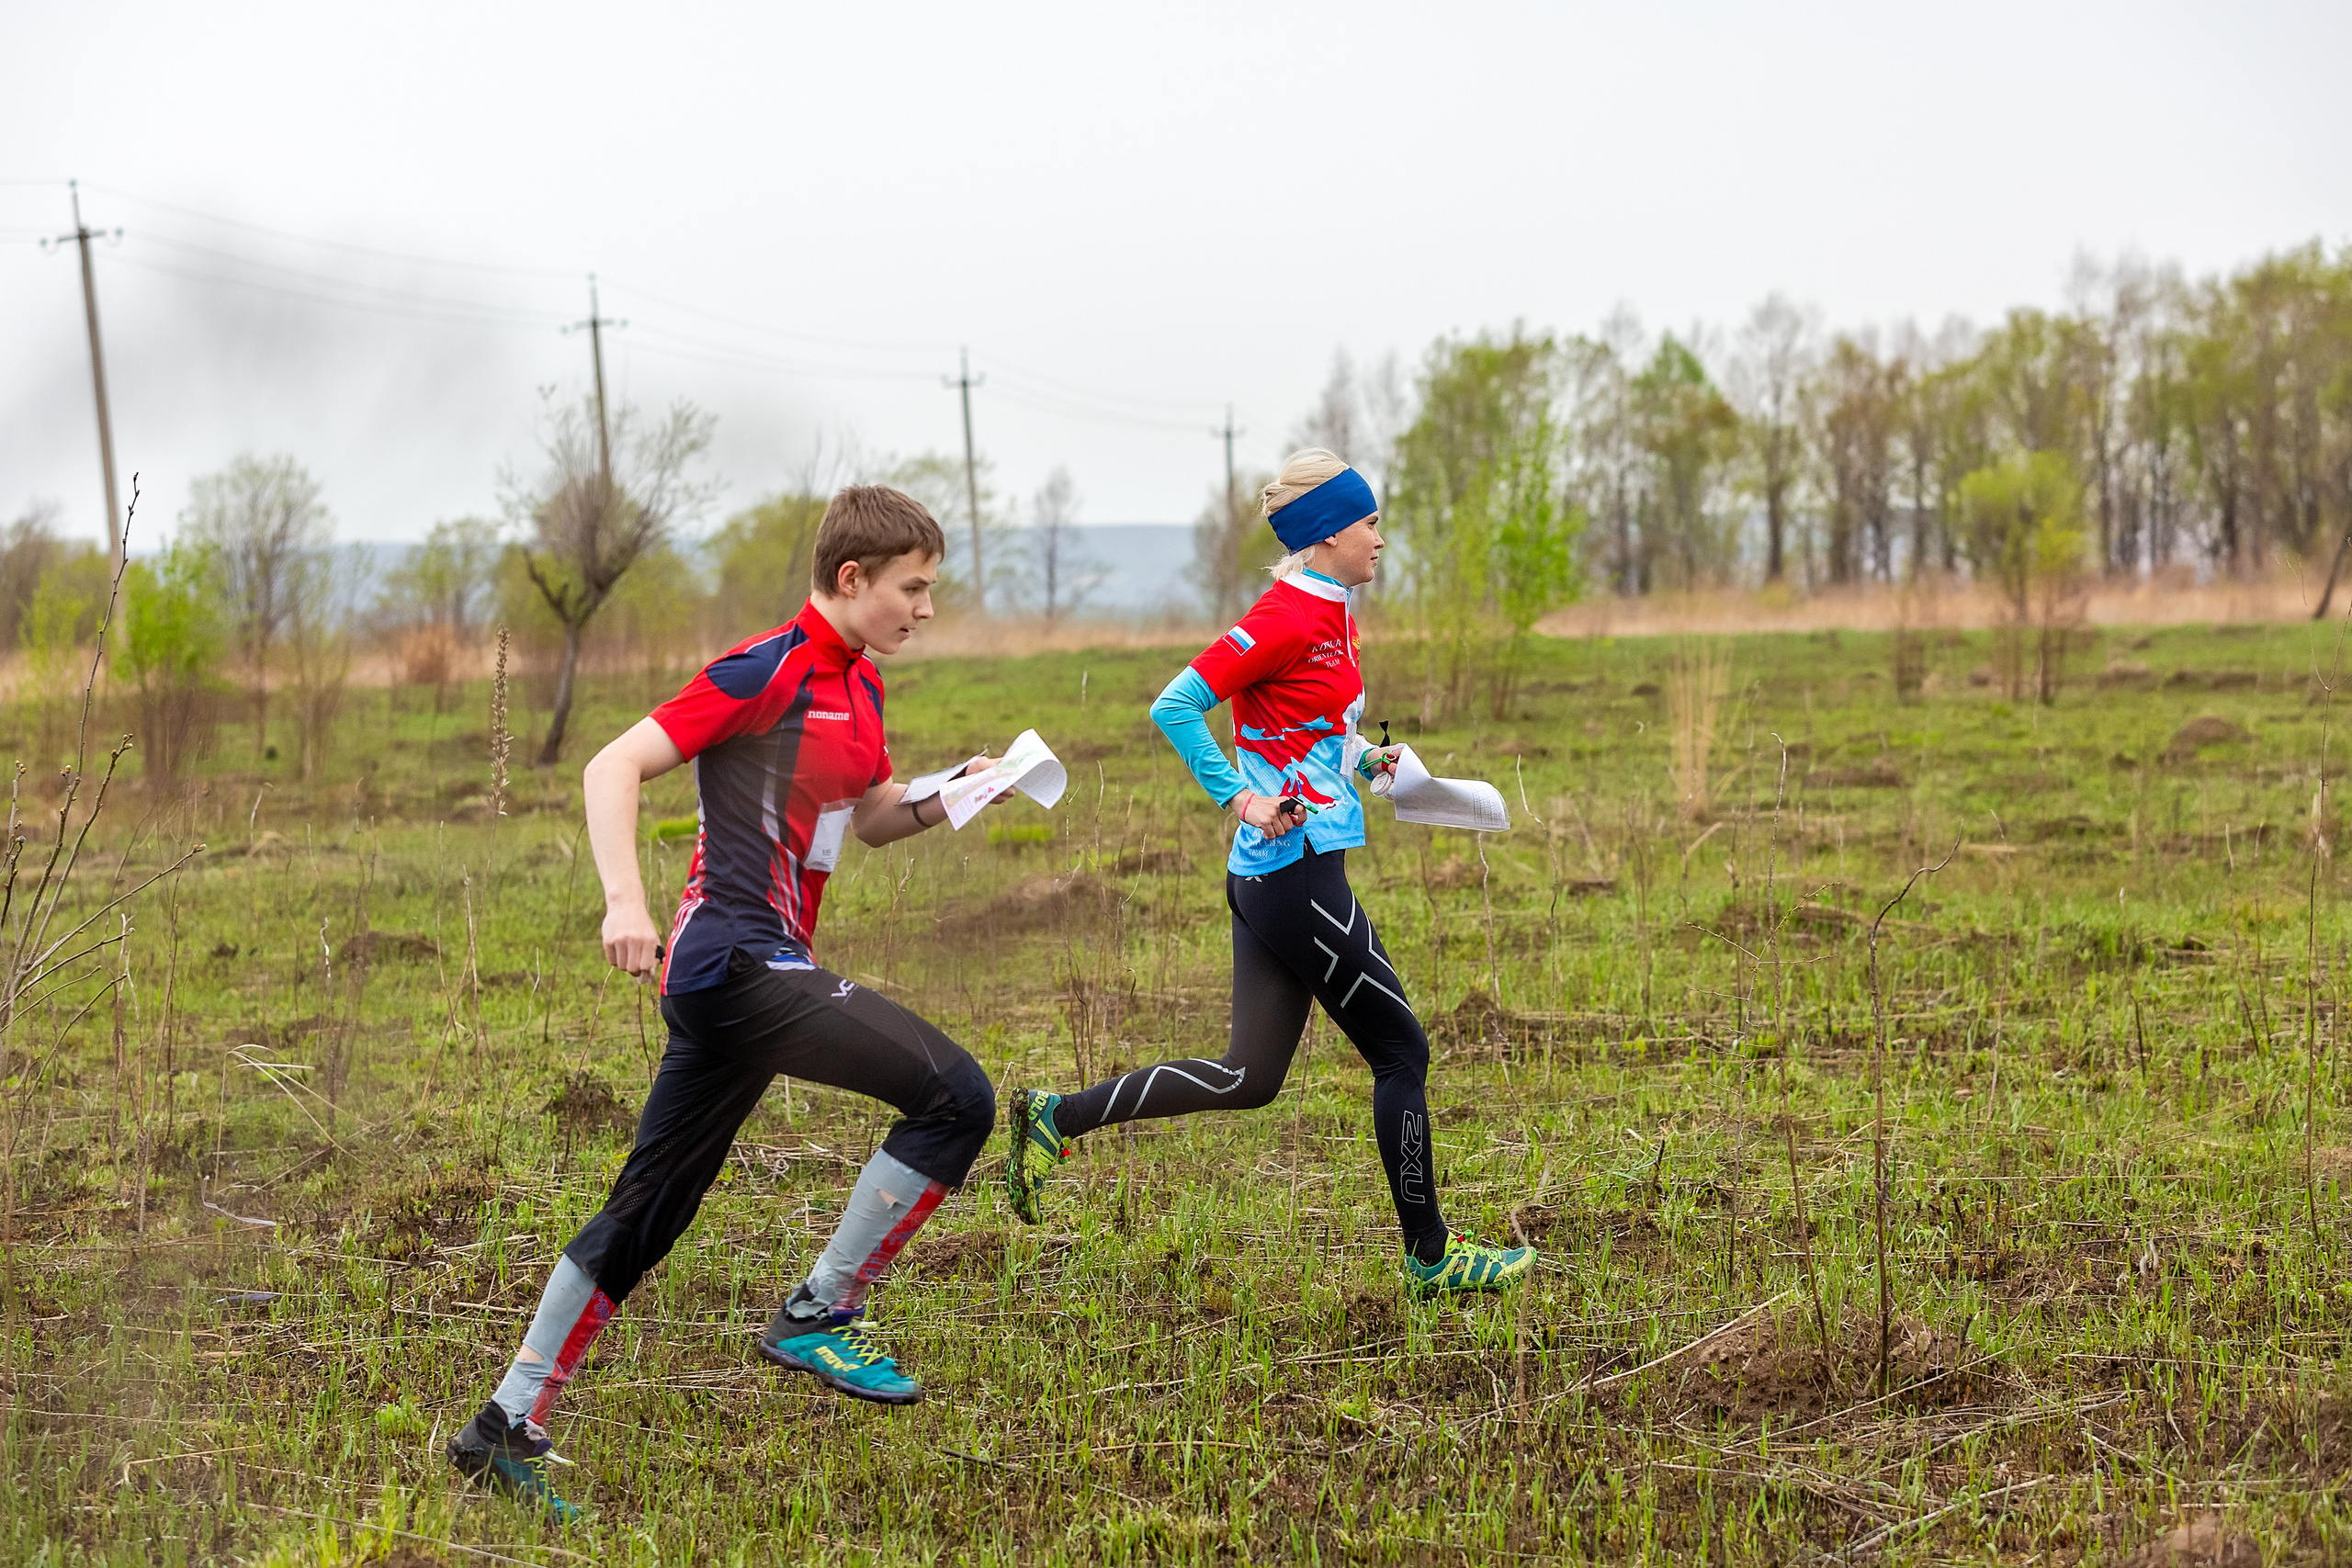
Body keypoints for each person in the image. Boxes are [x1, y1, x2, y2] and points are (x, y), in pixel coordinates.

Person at [447, 486, 1001, 1519]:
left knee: (648, 1211)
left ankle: (502, 1427)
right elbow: (614, 764)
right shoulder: (768, 669)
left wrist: (957, 790)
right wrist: (626, 901)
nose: (924, 609)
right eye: (912, 589)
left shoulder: (861, 688)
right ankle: (816, 1313)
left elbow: (871, 815)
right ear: (852, 579)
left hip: (754, 971)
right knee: (956, 1097)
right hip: (734, 960)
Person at [1003, 448, 1535, 1299]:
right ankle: (1432, 1256)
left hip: (1277, 878)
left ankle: (1054, 1117)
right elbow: (1173, 703)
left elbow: (1316, 725)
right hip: (1293, 875)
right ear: (1327, 533)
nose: (1382, 539)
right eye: (1370, 523)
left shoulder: (1334, 611)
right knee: (1403, 1051)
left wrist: (1372, 759)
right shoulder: (1286, 616)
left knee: (1247, 1076)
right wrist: (1241, 798)